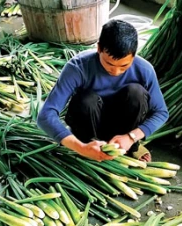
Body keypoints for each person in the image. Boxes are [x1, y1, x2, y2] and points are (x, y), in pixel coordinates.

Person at [37, 19, 168, 162]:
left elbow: (161, 112)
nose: (116, 71)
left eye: (124, 66)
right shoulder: (78, 67)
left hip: (124, 128)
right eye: (109, 63)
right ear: (99, 48)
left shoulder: (144, 69)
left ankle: (130, 146)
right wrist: (80, 147)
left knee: (136, 92)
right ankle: (87, 147)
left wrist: (131, 137)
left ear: (134, 55)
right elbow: (46, 115)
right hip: (88, 124)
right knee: (86, 99)